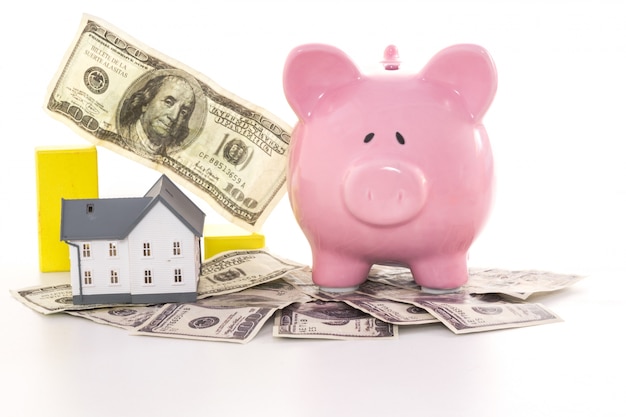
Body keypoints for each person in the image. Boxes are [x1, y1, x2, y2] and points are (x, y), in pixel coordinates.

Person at [119, 74, 196, 157]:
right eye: (168, 102)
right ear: (146, 103)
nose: (174, 117)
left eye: (183, 112)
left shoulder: (169, 156)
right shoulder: (122, 132)